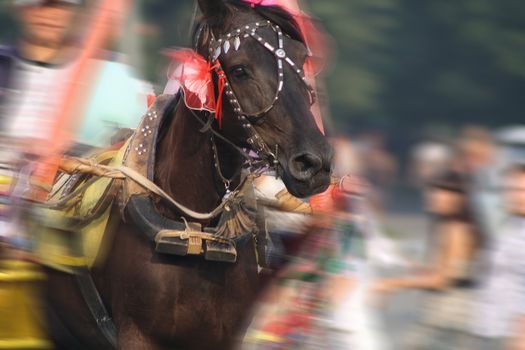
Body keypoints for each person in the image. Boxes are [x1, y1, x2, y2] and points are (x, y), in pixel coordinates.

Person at [372, 169, 485, 349]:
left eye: (445, 192)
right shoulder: (446, 225)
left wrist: (391, 284)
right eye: (434, 190)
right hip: (443, 315)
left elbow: (442, 280)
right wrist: (418, 269)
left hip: (450, 318)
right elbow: (448, 271)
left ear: (460, 199)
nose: (436, 196)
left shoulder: (456, 229)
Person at [471, 164, 525, 350]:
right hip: (491, 327)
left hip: (515, 336)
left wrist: (521, 336)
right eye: (509, 189)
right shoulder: (507, 225)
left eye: (521, 190)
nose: (514, 196)